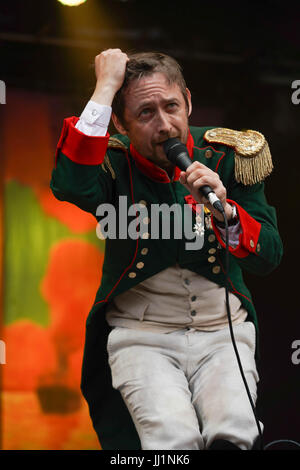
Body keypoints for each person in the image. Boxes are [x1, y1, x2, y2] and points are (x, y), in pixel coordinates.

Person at [50, 49, 283, 450]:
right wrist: (105, 86)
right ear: (121, 123)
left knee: (235, 434)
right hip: (142, 337)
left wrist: (225, 211)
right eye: (145, 114)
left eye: (172, 107)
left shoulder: (229, 157)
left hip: (220, 334)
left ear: (188, 101)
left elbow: (269, 255)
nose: (165, 125)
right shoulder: (113, 163)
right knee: (172, 442)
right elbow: (70, 183)